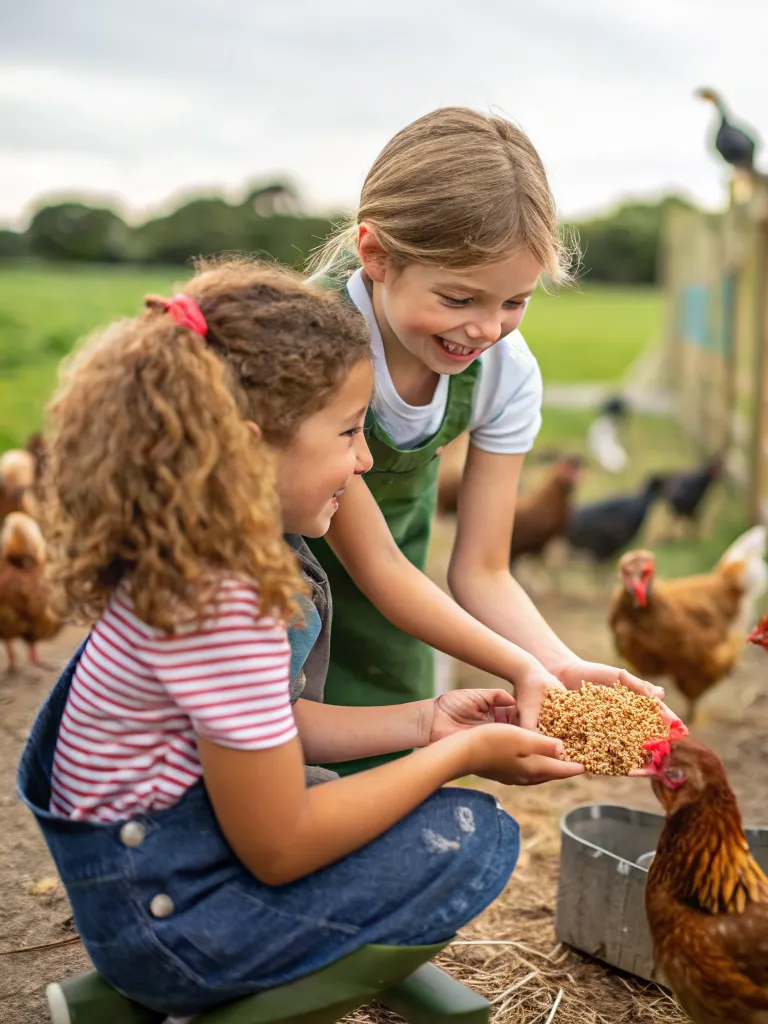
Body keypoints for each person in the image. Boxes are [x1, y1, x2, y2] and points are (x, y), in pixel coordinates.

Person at [17, 261, 583, 1017]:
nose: (365, 458)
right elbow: (280, 845)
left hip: (147, 868)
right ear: (251, 451)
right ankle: (225, 1007)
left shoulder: (193, 553)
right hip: (167, 916)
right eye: (350, 431)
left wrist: (424, 723)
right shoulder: (227, 603)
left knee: (378, 806)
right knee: (467, 835)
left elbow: (263, 729)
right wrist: (461, 757)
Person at [306, 107, 665, 775]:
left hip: (398, 621)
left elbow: (482, 568)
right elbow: (373, 565)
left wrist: (555, 665)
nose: (486, 329)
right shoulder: (312, 348)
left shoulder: (504, 370)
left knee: (387, 795)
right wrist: (520, 666)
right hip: (271, 615)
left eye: (514, 302)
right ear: (377, 255)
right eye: (458, 298)